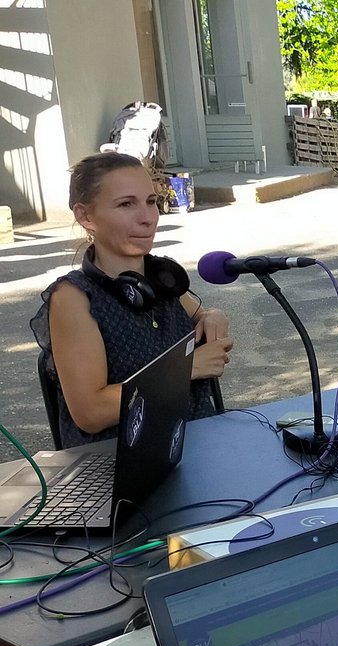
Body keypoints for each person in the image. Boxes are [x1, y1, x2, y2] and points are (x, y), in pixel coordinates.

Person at [31, 153, 232, 448]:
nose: (147, 217)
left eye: (151, 202)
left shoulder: (160, 278)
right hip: (117, 466)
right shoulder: (73, 298)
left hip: (194, 444)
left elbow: (202, 314)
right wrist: (186, 369)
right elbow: (90, 411)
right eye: (126, 204)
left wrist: (213, 316)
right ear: (85, 216)